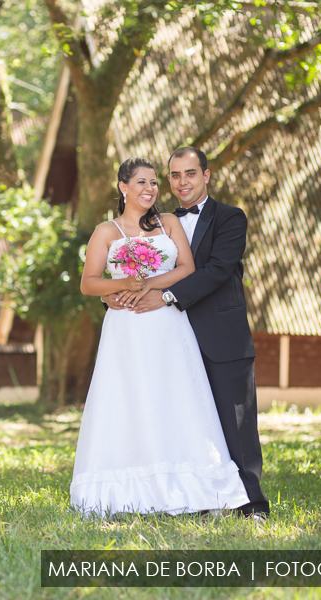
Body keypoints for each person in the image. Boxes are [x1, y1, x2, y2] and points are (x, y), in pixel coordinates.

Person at [71, 156, 251, 517]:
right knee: (130, 398)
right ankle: (133, 488)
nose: (150, 189)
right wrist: (121, 286)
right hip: (126, 328)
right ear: (123, 187)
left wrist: (148, 287)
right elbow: (88, 282)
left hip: (168, 323)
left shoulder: (169, 223)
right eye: (141, 182)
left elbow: (187, 268)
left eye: (154, 182)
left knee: (175, 397)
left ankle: (193, 486)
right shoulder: (105, 232)